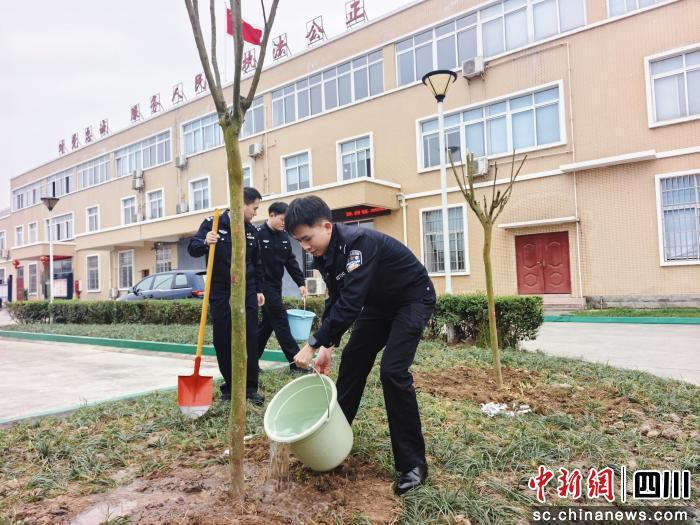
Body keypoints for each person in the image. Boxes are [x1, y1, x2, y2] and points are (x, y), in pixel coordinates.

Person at [286, 196, 436, 495]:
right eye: (299, 241)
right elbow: (336, 299)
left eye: (307, 238)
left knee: (393, 372)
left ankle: (413, 465)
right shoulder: (324, 254)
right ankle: (332, 442)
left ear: (327, 226)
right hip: (378, 305)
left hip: (412, 299)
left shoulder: (359, 244)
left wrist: (312, 344)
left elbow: (352, 302)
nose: (305, 246)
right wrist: (328, 346)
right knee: (353, 361)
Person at [187, 187, 265, 405]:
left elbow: (257, 263)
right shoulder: (213, 223)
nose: (256, 213)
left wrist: (259, 289)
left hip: (247, 290)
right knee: (223, 339)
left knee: (250, 337)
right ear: (241, 204)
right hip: (221, 290)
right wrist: (205, 241)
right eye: (254, 208)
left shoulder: (252, 230)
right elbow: (193, 248)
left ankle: (250, 388)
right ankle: (230, 387)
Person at [255, 201, 308, 372]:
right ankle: (296, 363)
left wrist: (300, 282)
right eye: (282, 219)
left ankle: (250, 363)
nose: (285, 223)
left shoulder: (284, 237)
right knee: (281, 321)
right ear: (271, 215)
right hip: (263, 287)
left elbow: (290, 262)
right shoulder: (257, 234)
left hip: (276, 287)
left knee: (267, 326)